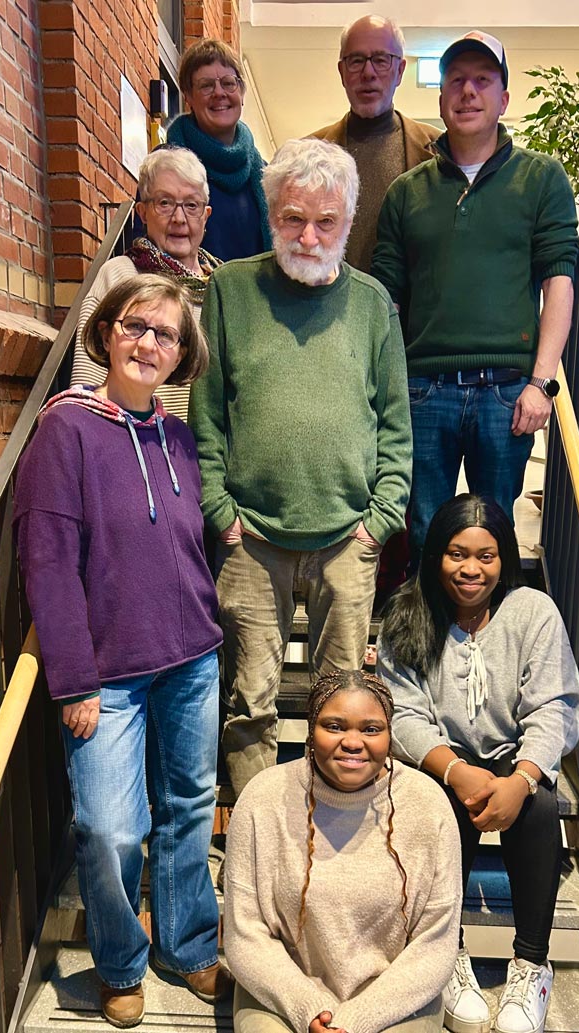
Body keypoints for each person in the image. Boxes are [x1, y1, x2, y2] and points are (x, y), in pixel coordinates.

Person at [14, 275, 232, 1029]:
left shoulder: (176, 436)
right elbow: (46, 561)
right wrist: (72, 680)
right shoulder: (65, 430)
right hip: (105, 675)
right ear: (107, 331)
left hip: (192, 658)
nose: (148, 343)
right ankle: (118, 960)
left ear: (180, 354)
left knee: (189, 806)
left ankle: (189, 941)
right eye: (136, 326)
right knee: (111, 827)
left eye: (165, 334)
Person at [188, 137, 412, 797]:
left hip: (349, 537)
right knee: (250, 702)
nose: (308, 236)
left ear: (348, 221)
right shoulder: (229, 290)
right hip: (252, 538)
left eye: (326, 222)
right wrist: (221, 514)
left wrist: (380, 519)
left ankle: (330, 827)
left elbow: (397, 424)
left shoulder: (373, 304)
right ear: (270, 211)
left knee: (341, 706)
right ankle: (258, 833)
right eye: (293, 218)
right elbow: (207, 415)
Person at [377, 495, 579, 1033]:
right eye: (456, 554)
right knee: (443, 807)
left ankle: (531, 967)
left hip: (517, 762)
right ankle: (448, 953)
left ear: (504, 557)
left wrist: (522, 779)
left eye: (486, 556)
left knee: (539, 812)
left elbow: (553, 706)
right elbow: (401, 715)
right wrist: (456, 770)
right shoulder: (407, 613)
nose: (471, 569)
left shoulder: (532, 611)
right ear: (436, 557)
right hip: (442, 766)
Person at [371, 31, 579, 565]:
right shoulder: (405, 193)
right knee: (425, 533)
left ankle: (493, 645)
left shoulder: (541, 179)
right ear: (441, 100)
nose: (468, 92)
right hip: (422, 393)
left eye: (482, 81)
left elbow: (561, 278)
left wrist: (541, 383)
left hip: (507, 393)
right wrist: (391, 388)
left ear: (503, 99)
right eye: (456, 81)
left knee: (496, 537)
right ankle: (429, 646)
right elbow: (387, 300)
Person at [223, 669, 462, 1033]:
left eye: (371, 729)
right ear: (310, 730)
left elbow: (435, 946)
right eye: (334, 726)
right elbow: (245, 935)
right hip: (283, 994)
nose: (353, 742)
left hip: (395, 1001)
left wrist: (356, 1020)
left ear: (389, 734)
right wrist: (308, 1008)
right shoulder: (262, 798)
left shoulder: (429, 805)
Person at [72, 147, 221, 420]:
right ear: (142, 212)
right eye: (164, 203)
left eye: (191, 205)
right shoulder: (119, 277)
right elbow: (87, 385)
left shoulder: (223, 286)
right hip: (138, 442)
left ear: (206, 215)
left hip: (208, 455)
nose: (179, 218)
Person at [310, 16, 439, 274]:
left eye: (380, 60)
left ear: (400, 70)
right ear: (342, 72)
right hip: (331, 309)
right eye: (356, 61)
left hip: (413, 311)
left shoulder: (439, 150)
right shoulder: (310, 153)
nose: (368, 73)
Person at [165, 38, 271, 260]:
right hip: (185, 292)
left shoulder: (266, 176)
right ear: (188, 97)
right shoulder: (165, 166)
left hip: (249, 294)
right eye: (206, 85)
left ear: (241, 92)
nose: (219, 93)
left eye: (228, 83)